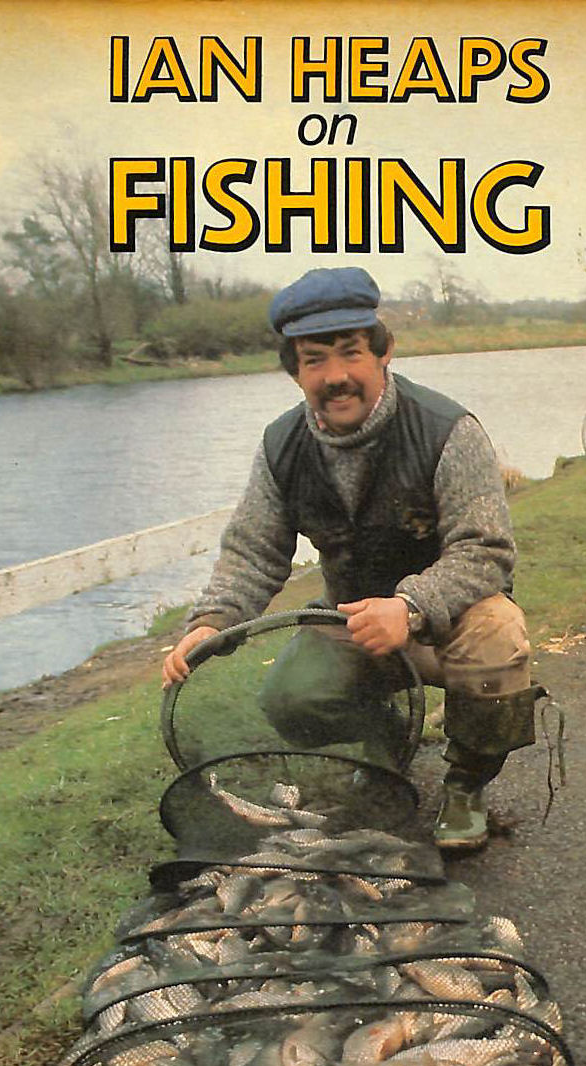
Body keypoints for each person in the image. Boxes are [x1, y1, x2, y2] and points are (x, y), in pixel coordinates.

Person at [162, 266, 537, 850]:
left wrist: (410, 607)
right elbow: (253, 554)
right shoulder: (280, 446)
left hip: (449, 620)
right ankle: (387, 746)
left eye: (350, 352)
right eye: (314, 360)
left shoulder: (449, 430)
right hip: (349, 619)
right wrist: (209, 625)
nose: (336, 376)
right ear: (295, 372)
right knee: (291, 696)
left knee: (499, 636)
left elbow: (485, 551)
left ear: (383, 353)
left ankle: (466, 782)